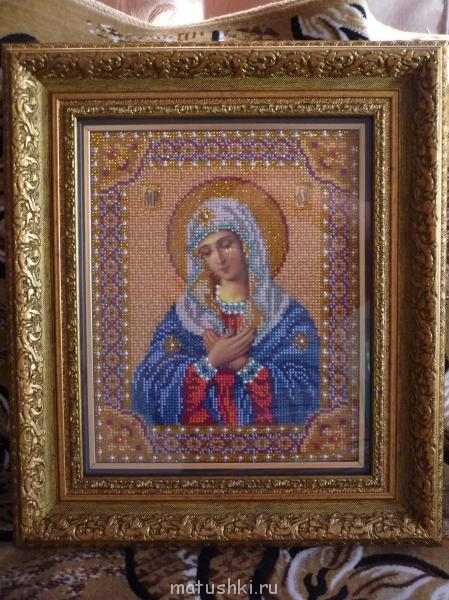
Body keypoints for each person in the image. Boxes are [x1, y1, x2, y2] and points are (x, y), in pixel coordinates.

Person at [132, 197, 319, 426]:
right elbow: (151, 381)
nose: (219, 258)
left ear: (246, 243)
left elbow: (308, 388)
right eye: (207, 252)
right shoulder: (187, 315)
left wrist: (243, 364)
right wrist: (211, 361)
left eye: (226, 244)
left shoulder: (286, 315)